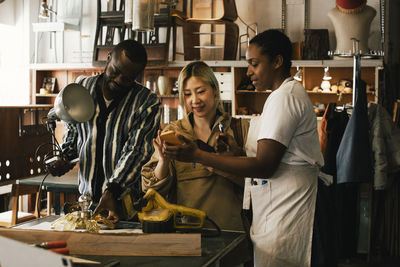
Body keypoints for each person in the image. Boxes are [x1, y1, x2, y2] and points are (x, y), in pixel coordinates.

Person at [164, 30, 324, 266]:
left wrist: (199, 155)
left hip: (286, 213)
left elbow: (264, 165)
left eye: (254, 64)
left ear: (277, 62)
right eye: (188, 94)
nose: (248, 71)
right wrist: (237, 155)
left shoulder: (284, 98)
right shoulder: (282, 96)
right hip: (274, 213)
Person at [49, 40, 161, 222]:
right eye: (115, 71)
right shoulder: (81, 89)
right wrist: (64, 158)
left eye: (126, 78)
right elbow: (73, 133)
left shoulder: (146, 103)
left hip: (123, 208)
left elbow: (137, 151)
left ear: (137, 76)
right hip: (85, 204)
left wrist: (112, 191)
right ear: (108, 58)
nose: (118, 80)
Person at [141, 61, 249, 231]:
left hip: (233, 234)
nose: (195, 100)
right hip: (187, 235)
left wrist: (230, 163)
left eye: (201, 91)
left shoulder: (240, 129)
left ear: (214, 89)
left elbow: (259, 185)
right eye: (187, 94)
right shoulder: (173, 132)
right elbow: (151, 191)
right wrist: (163, 161)